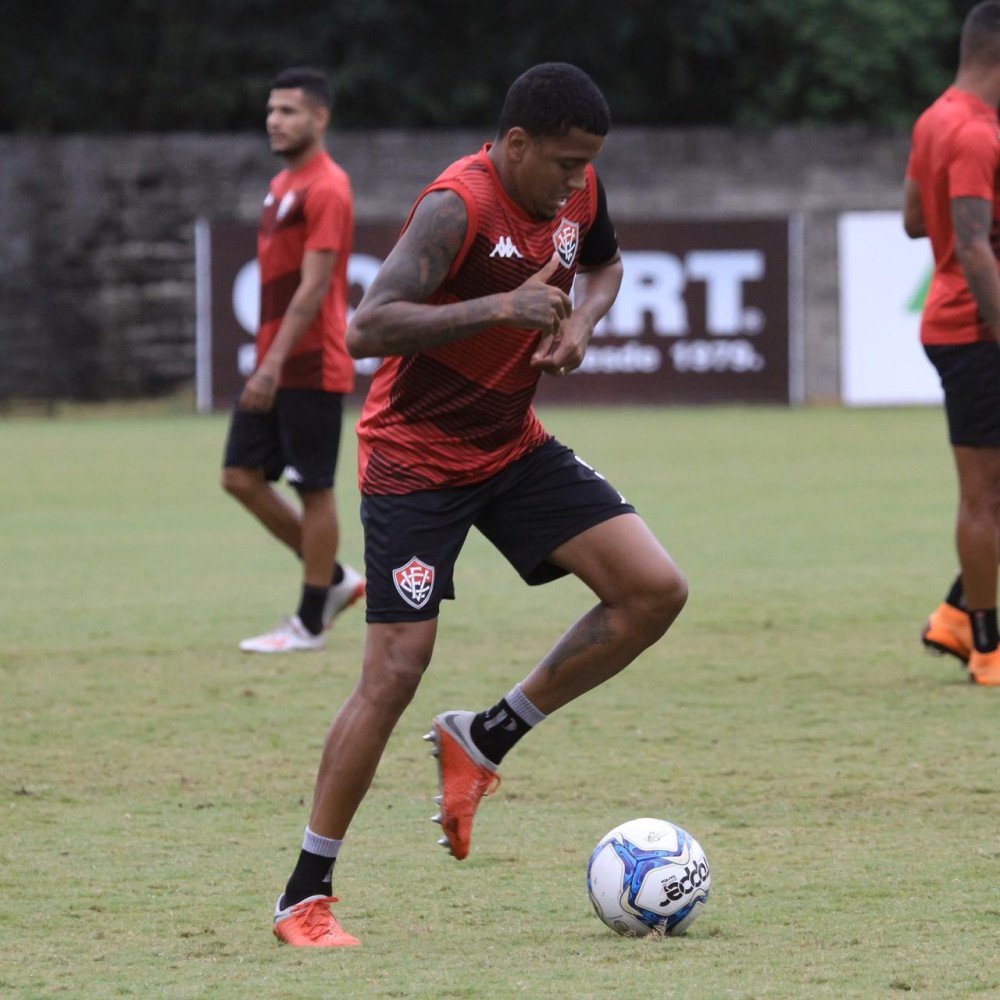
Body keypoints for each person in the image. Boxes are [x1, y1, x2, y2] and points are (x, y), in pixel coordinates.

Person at [271, 62, 688, 948]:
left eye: (589, 167)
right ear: (516, 145)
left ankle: (486, 738)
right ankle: (304, 896)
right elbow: (369, 326)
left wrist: (583, 321)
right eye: (565, 164)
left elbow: (606, 267)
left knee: (654, 589)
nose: (578, 182)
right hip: (415, 461)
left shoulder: (579, 191)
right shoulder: (456, 207)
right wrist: (502, 304)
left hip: (511, 445)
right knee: (395, 669)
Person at [221, 67, 365, 653]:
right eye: (271, 110)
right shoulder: (282, 185)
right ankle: (332, 579)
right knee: (240, 477)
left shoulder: (327, 187)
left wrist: (272, 365)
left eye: (288, 111)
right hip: (277, 359)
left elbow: (314, 289)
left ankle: (309, 621)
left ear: (320, 118)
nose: (274, 121)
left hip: (309, 362)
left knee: (314, 488)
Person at [904, 0, 1000, 686]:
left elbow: (914, 220)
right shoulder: (973, 131)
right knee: (982, 497)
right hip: (977, 331)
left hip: (961, 325)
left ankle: (957, 612)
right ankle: (987, 646)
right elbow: (970, 246)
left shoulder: (936, 118)